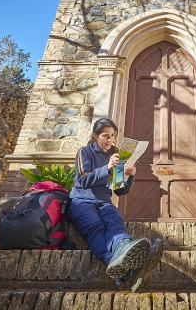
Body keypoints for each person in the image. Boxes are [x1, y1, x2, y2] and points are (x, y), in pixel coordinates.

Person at [68, 118, 158, 283]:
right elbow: (82, 180)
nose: (110, 140)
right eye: (105, 136)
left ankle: (125, 248)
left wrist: (129, 176)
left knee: (114, 220)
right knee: (96, 228)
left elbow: (119, 189)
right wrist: (107, 168)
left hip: (104, 202)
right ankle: (120, 268)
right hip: (81, 201)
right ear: (95, 136)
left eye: (113, 136)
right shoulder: (84, 152)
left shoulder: (116, 154)